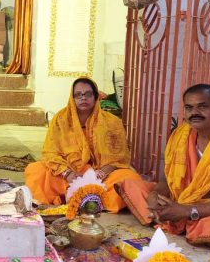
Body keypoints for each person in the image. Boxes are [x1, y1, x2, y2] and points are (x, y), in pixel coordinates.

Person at [116, 84, 210, 248]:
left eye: (202, 106)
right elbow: (169, 181)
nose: (194, 113)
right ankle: (177, 219)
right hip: (184, 200)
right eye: (189, 108)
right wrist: (155, 197)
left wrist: (186, 211)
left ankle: (180, 221)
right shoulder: (182, 136)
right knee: (130, 184)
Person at [24, 78, 142, 213]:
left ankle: (94, 200)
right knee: (35, 170)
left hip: (103, 177)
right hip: (70, 174)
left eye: (88, 94)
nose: (83, 98)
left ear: (96, 96)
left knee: (130, 178)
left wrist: (102, 172)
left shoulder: (112, 122)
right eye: (78, 94)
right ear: (72, 97)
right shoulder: (61, 119)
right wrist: (67, 173)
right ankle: (82, 197)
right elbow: (50, 153)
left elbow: (120, 156)